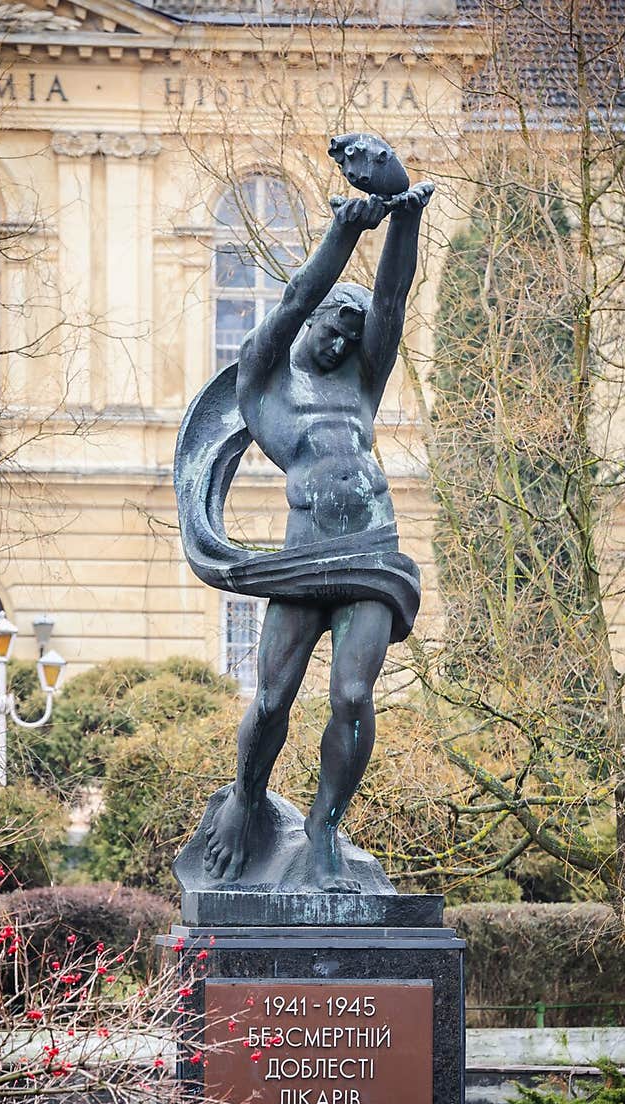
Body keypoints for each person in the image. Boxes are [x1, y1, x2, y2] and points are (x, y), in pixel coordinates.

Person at [200, 176, 434, 890]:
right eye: (333, 329)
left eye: (350, 337)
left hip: (373, 554)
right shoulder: (264, 382)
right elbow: (297, 297)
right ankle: (245, 799)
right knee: (272, 700)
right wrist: (346, 231)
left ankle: (323, 832)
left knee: (354, 698)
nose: (338, 344)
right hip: (305, 560)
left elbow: (391, 300)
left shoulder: (362, 382)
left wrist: (403, 218)